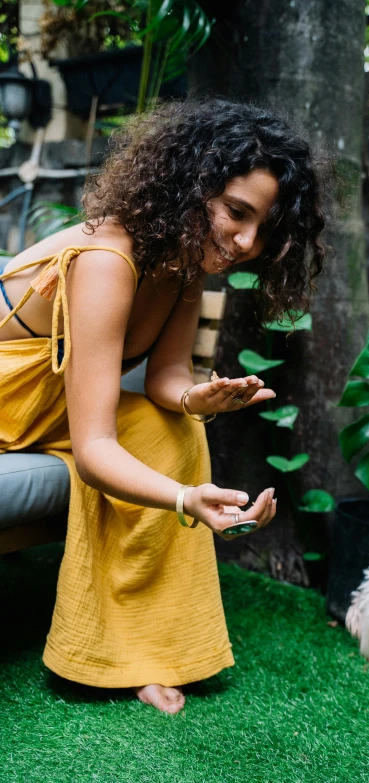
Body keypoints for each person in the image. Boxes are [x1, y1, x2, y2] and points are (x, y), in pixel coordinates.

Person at [0, 99, 326, 714]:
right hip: (7, 399)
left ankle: (146, 651)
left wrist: (192, 396)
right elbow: (95, 446)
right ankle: (99, 649)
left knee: (174, 429)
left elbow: (166, 377)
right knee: (161, 449)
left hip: (47, 403)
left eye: (265, 229)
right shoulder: (106, 260)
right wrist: (184, 499)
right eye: (236, 212)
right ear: (191, 182)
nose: (247, 241)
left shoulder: (179, 264)